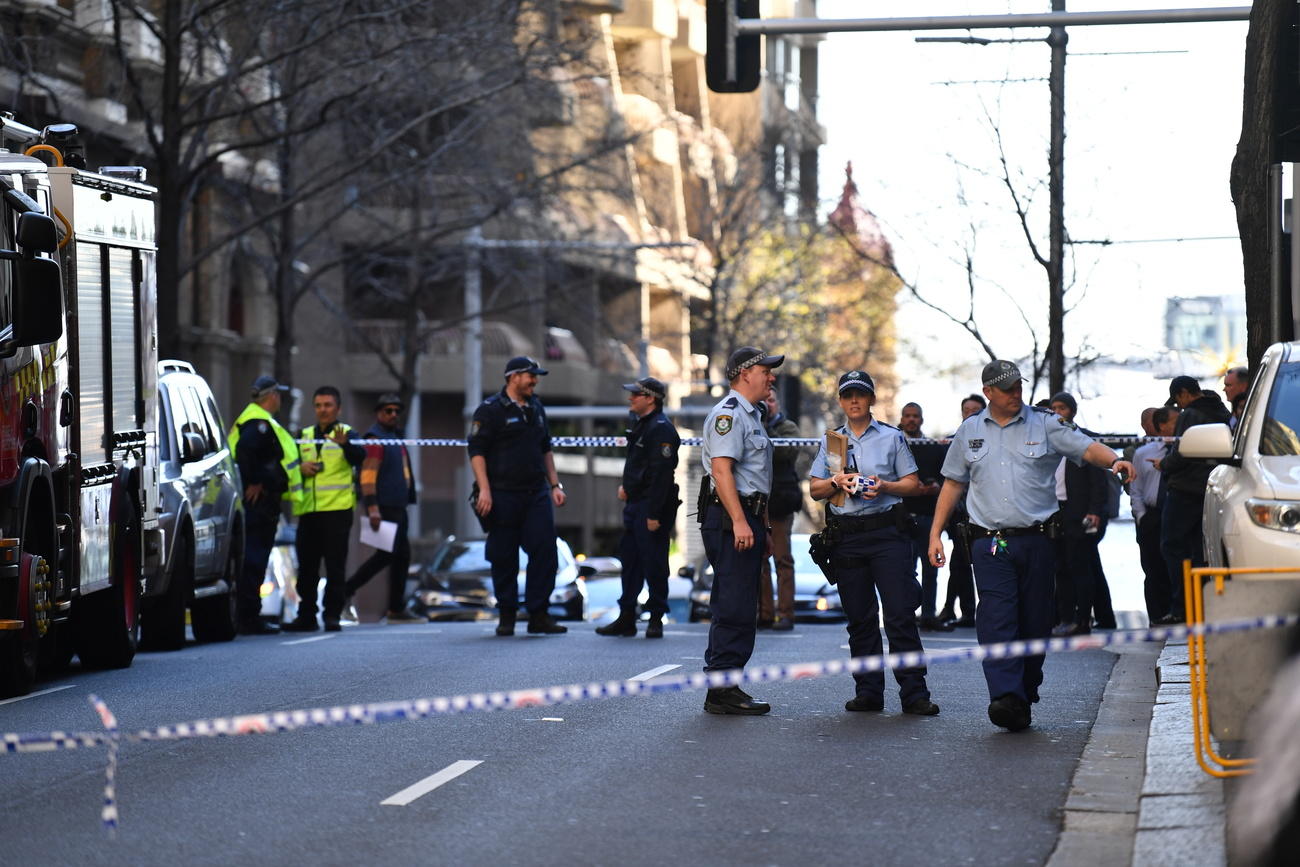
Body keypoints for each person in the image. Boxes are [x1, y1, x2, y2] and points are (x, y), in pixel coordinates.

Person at [927, 360, 1134, 732]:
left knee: (1036, 621)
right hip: (989, 543)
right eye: (1006, 389)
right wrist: (934, 534)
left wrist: (1115, 461)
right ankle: (1005, 695)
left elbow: (1086, 448)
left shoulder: (1045, 423)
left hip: (1038, 541)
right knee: (997, 617)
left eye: (1018, 387)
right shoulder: (969, 431)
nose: (1015, 394)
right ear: (988, 392)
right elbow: (953, 484)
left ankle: (1024, 689)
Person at [810, 372, 940, 715]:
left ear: (871, 400)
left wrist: (884, 486)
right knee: (860, 619)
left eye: (860, 395)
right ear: (840, 401)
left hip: (887, 534)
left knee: (899, 615)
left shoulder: (892, 437)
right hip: (848, 535)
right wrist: (835, 480)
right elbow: (814, 489)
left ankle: (915, 693)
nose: (854, 401)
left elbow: (912, 484)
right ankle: (868, 692)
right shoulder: (832, 441)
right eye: (848, 395)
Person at [699, 346, 783, 715]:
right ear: (745, 372)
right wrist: (738, 521)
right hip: (730, 516)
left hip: (746, 517)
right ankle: (721, 689)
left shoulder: (752, 416)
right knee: (734, 603)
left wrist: (760, 525)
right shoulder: (729, 415)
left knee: (739, 600)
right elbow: (722, 472)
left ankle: (726, 682)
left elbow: (754, 479)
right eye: (766, 369)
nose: (772, 376)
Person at [468, 357, 568, 636]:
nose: (535, 381)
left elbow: (545, 448)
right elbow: (476, 452)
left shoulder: (536, 407)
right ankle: (507, 615)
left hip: (535, 492)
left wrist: (555, 485)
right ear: (513, 377)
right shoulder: (489, 410)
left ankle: (538, 614)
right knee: (503, 556)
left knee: (546, 552)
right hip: (501, 494)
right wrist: (484, 490)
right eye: (530, 376)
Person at [597, 377, 680, 639]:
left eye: (636, 394)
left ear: (650, 399)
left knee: (654, 563)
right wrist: (628, 488)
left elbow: (661, 475)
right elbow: (639, 466)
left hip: (651, 507)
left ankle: (656, 617)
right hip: (635, 504)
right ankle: (627, 617)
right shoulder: (642, 424)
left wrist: (654, 514)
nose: (631, 398)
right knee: (630, 562)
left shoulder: (662, 429)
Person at [283, 387, 367, 633]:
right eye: (318, 405)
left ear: (338, 408)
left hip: (337, 511)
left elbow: (360, 457)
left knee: (335, 566)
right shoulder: (304, 435)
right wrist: (301, 467)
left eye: (328, 405)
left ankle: (332, 615)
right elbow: (290, 464)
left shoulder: (348, 433)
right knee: (307, 567)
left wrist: (345, 446)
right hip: (308, 512)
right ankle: (306, 615)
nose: (323, 410)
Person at [227, 376, 302, 635]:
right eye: (278, 395)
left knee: (254, 558)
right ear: (272, 396)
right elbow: (246, 453)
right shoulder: (258, 423)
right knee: (254, 559)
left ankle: (248, 614)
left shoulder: (256, 419)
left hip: (259, 502)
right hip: (258, 504)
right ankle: (248, 616)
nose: (279, 399)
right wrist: (256, 481)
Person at [1154, 375, 1230, 625]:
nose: (1179, 406)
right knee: (1201, 550)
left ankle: (1181, 607)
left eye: (1178, 400)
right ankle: (1203, 605)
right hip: (1211, 488)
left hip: (1185, 489)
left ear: (1184, 393)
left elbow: (1180, 453)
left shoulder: (1190, 415)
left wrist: (1162, 464)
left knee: (1172, 546)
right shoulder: (1221, 411)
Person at [343, 393, 422, 624]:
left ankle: (396, 608)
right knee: (386, 556)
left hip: (399, 506)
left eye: (397, 411)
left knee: (400, 557)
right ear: (379, 413)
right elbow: (367, 477)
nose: (393, 415)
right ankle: (347, 590)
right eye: (388, 411)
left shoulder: (394, 437)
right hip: (385, 507)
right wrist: (373, 508)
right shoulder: (376, 439)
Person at [1047, 392, 1115, 637]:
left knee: (1081, 567)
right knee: (1060, 568)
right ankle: (1065, 619)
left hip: (1079, 512)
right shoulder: (1046, 440)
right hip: (1055, 512)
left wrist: (1095, 510)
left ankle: (1083, 619)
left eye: (1062, 407)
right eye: (1053, 408)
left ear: (1072, 412)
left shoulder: (1084, 440)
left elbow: (1098, 480)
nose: (1057, 412)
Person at [898, 401, 950, 632]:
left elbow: (946, 480)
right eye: (907, 416)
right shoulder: (895, 445)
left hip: (928, 516)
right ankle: (905, 615)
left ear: (921, 419)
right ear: (902, 418)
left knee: (931, 571)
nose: (911, 420)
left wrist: (933, 487)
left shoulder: (933, 447)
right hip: (902, 517)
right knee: (903, 571)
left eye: (915, 416)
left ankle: (928, 614)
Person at [757, 390, 807, 632]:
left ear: (778, 403)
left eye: (771, 400)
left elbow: (785, 453)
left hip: (780, 503)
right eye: (764, 401)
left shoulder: (788, 428)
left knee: (782, 559)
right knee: (760, 561)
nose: (767, 404)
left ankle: (786, 613)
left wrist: (766, 426)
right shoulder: (751, 424)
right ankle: (764, 613)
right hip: (757, 501)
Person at [935, 393, 985, 628]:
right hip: (959, 518)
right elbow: (947, 482)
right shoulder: (951, 442)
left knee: (976, 565)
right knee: (959, 564)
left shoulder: (992, 440)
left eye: (976, 410)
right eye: (967, 410)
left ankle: (964, 611)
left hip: (985, 518)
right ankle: (959, 610)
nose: (970, 414)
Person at [1133, 406, 1178, 623]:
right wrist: (1141, 516)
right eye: (1173, 422)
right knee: (1152, 570)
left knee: (1174, 566)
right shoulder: (1143, 453)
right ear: (1161, 426)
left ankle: (1175, 612)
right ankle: (1156, 616)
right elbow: (1136, 488)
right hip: (1152, 516)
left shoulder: (1184, 452)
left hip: (1176, 513)